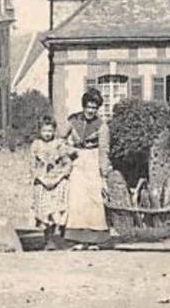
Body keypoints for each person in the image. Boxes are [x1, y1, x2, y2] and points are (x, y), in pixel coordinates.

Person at [63, 88, 112, 246]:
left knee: (94, 199)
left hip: (93, 161)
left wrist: (103, 175)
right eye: (88, 106)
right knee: (77, 198)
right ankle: (77, 238)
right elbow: (59, 140)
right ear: (83, 106)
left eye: (94, 107)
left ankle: (94, 240)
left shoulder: (102, 127)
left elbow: (104, 151)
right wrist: (68, 152)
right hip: (77, 162)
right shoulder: (72, 121)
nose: (91, 110)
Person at [30, 114, 72, 248]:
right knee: (44, 210)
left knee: (56, 209)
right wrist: (40, 178)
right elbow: (32, 165)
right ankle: (48, 239)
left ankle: (59, 236)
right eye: (44, 131)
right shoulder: (36, 145)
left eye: (50, 131)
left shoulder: (59, 144)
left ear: (54, 130)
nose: (47, 134)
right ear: (39, 131)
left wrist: (60, 177)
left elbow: (67, 163)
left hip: (57, 180)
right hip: (42, 181)